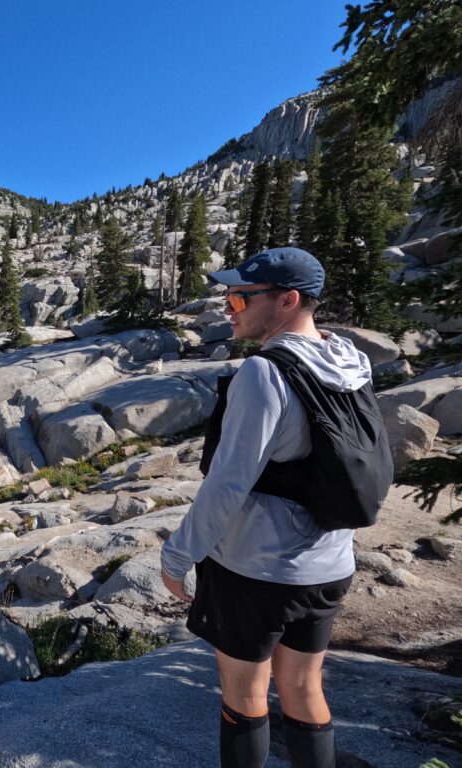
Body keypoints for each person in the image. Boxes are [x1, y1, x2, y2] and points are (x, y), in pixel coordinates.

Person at [160, 247, 369, 768]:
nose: (229, 307)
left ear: (287, 300)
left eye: (240, 296)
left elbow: (228, 483)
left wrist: (177, 556)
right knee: (303, 688)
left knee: (245, 696)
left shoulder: (265, 372)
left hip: (258, 568)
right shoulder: (350, 360)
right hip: (329, 561)